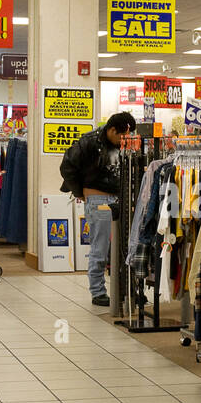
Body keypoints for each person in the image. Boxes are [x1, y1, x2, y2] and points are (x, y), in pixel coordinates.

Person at [59, 112, 136, 307]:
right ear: (111, 130)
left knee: (124, 246)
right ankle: (98, 291)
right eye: (121, 136)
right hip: (97, 197)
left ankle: (126, 289)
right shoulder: (90, 142)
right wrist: (79, 192)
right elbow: (67, 166)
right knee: (100, 247)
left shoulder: (126, 144)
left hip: (120, 197)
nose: (123, 141)